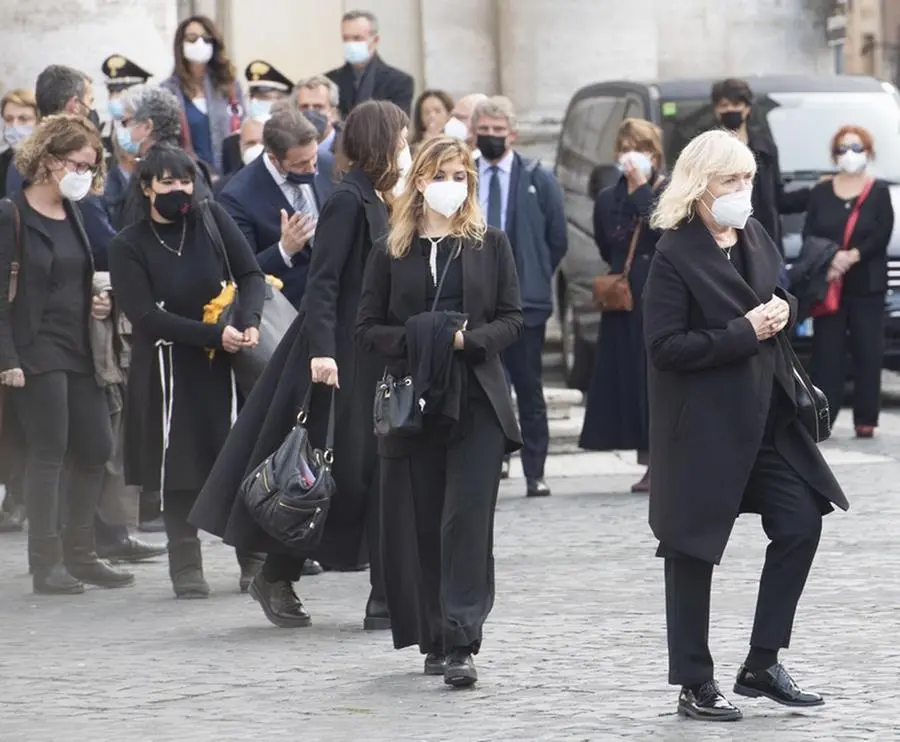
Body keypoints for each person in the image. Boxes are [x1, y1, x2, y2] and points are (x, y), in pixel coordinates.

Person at [644, 129, 848, 722]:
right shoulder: (673, 254)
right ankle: (694, 680)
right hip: (701, 430)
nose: (743, 190)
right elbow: (663, 347)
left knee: (802, 522)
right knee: (691, 551)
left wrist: (782, 308)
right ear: (700, 184)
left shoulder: (754, 233)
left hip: (765, 420)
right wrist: (745, 331)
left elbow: (768, 297)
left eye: (748, 179)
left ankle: (761, 662)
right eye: (731, 180)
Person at [191, 100, 411, 630]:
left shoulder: (380, 199)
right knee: (327, 471)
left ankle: (384, 596)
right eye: (401, 138)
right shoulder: (347, 200)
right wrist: (323, 353)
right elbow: (326, 282)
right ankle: (279, 571)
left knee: (372, 471)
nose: (407, 147)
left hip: (371, 352)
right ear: (384, 141)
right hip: (335, 355)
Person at [356, 135, 523, 687]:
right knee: (424, 519)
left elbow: (511, 319)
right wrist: (424, 338)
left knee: (466, 521)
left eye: (463, 175)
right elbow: (367, 328)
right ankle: (433, 633)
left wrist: (464, 341)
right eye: (443, 174)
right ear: (420, 181)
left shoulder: (489, 244)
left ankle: (461, 638)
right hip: (411, 401)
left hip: (475, 397)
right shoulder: (390, 251)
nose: (454, 184)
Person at [108, 143, 266, 598]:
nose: (179, 190)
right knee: (179, 462)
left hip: (225, 361)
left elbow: (251, 275)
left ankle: (251, 556)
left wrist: (247, 321)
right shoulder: (127, 245)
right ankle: (184, 560)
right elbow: (144, 316)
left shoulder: (211, 219)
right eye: (167, 182)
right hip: (167, 367)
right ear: (146, 187)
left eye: (185, 181)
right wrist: (211, 334)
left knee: (236, 457)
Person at [0, 114, 133, 594]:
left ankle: (82, 552)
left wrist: (97, 299)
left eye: (91, 166)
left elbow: (78, 274)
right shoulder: (12, 213)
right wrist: (8, 357)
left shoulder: (74, 212)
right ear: (50, 160)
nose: (85, 173)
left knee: (96, 445)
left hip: (80, 344)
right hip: (35, 349)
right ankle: (46, 561)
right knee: (49, 452)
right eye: (79, 164)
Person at [472, 96, 567, 496]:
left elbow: (556, 239)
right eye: (485, 130)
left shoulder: (537, 176)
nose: (492, 137)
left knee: (528, 387)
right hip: (476, 301)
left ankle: (535, 471)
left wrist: (533, 276)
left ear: (512, 133)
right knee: (488, 389)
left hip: (526, 300)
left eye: (498, 131)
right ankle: (493, 462)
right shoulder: (466, 175)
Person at [579, 119, 667, 493]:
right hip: (623, 298)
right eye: (627, 146)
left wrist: (641, 191)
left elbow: (662, 229)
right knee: (629, 379)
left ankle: (661, 463)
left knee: (655, 377)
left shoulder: (666, 191)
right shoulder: (607, 198)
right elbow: (605, 241)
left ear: (655, 153)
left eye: (642, 147)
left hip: (658, 294)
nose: (634, 154)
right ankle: (645, 458)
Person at [804, 125, 894, 437]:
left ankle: (866, 420)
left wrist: (850, 256)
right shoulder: (820, 191)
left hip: (867, 284)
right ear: (834, 154)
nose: (850, 154)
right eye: (843, 148)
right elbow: (810, 234)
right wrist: (829, 260)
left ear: (868, 152)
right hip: (830, 284)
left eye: (857, 148)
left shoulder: (879, 191)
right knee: (827, 352)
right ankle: (823, 418)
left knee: (867, 350)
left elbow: (881, 234)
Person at [6, 65, 116, 271]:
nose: (91, 110)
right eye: (90, 101)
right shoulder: (72, 162)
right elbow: (99, 238)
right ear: (75, 104)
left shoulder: (22, 154)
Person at [218, 106, 324, 309]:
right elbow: (240, 272)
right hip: (286, 310)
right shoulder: (238, 195)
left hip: (333, 305)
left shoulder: (327, 165)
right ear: (274, 158)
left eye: (314, 157)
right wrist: (284, 249)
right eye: (301, 163)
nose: (312, 168)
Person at [710, 78, 808, 254]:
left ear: (747, 109)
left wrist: (818, 191)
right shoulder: (709, 149)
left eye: (736, 104)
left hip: (765, 240)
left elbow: (778, 198)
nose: (730, 110)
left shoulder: (765, 148)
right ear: (716, 110)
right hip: (724, 242)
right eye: (724, 105)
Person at [118, 84, 215, 225]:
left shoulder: (174, 168)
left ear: (147, 126)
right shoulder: (148, 162)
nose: (123, 129)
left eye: (125, 122)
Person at [161, 15, 245, 174]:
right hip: (190, 177)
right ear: (181, 44)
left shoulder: (229, 86)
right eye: (192, 39)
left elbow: (243, 130)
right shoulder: (168, 92)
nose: (200, 44)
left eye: (206, 39)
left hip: (231, 176)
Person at [326, 9, 414, 118]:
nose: (350, 44)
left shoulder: (399, 82)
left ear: (375, 40)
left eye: (357, 38)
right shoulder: (329, 81)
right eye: (346, 38)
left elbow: (397, 126)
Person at [221, 60, 293, 175]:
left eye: (263, 97)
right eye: (251, 97)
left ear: (283, 101)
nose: (255, 102)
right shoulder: (231, 143)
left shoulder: (296, 139)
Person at [100, 55, 152, 160]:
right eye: (111, 92)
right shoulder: (102, 130)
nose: (114, 98)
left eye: (120, 92)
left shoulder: (151, 131)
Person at [1, 89, 38, 199]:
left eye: (23, 119)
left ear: (38, 122)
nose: (15, 126)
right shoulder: (3, 163)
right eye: (8, 119)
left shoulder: (52, 163)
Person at [212, 118, 263, 198]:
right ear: (241, 146)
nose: (258, 148)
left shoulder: (283, 183)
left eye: (262, 143)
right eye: (251, 143)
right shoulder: (223, 189)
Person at [295, 75, 341, 157]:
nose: (310, 113)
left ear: (333, 112)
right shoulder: (284, 148)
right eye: (304, 106)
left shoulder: (351, 149)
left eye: (318, 107)